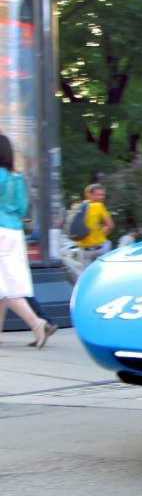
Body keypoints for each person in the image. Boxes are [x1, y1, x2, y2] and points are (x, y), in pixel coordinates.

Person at [0, 134, 50, 348]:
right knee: (5, 283)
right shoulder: (17, 176)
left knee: (6, 288)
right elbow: (22, 209)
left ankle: (36, 323)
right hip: (14, 231)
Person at [75, 183, 115, 267]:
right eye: (98, 195)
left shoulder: (78, 207)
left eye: (103, 195)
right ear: (88, 195)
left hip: (83, 251)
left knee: (86, 273)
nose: (102, 197)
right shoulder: (98, 206)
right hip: (99, 248)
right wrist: (99, 234)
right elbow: (110, 225)